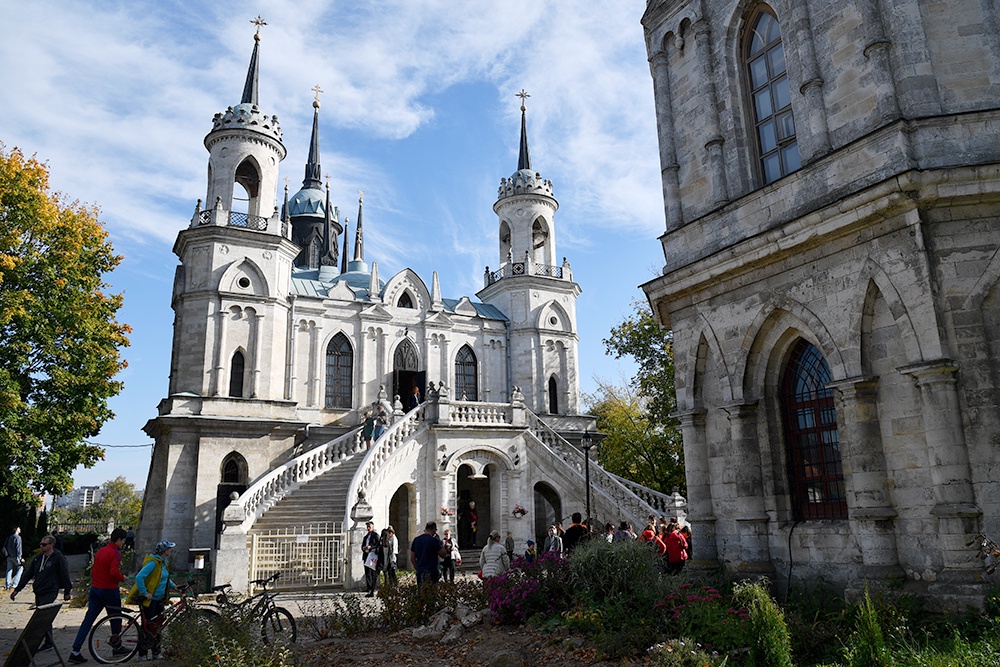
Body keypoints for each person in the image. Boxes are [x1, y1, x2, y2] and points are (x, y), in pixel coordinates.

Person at [69, 527, 128, 664]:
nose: (123, 543)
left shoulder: (101, 551)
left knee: (88, 621)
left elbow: (95, 570)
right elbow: (114, 572)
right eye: (123, 541)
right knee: (116, 618)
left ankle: (75, 650)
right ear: (119, 540)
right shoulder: (115, 553)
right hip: (109, 590)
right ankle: (117, 645)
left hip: (96, 589)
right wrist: (122, 578)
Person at [11, 535, 72, 652]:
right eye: (41, 544)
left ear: (51, 545)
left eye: (44, 544)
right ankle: (47, 641)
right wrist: (17, 590)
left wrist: (67, 591)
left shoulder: (58, 558)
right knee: (43, 617)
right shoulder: (38, 559)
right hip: (39, 591)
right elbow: (28, 574)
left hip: (50, 590)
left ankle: (47, 642)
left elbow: (65, 575)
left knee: (44, 617)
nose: (41, 546)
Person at [133, 540, 177, 662]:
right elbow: (139, 577)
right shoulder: (153, 563)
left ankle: (156, 652)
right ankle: (143, 654)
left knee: (157, 627)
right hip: (150, 600)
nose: (171, 551)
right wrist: (145, 593)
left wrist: (174, 586)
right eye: (169, 549)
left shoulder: (163, 562)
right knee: (147, 628)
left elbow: (164, 577)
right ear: (164, 551)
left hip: (159, 599)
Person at [410, 521, 446, 587]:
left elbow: (412, 558)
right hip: (432, 570)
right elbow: (443, 554)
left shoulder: (416, 540)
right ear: (434, 530)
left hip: (420, 571)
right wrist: (440, 542)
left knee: (421, 593)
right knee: (431, 593)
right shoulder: (433, 540)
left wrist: (417, 568)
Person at [361, 521, 380, 597]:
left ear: (373, 527)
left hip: (372, 555)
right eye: (367, 527)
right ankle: (368, 587)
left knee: (372, 572)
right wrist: (363, 548)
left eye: (369, 527)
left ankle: (373, 587)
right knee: (367, 572)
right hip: (366, 555)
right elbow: (363, 544)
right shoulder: (366, 537)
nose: (368, 528)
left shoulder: (375, 535)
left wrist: (371, 547)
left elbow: (378, 545)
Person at [4, 526, 24, 592]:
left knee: (9, 570)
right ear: (16, 530)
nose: (20, 529)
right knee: (20, 568)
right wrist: (20, 557)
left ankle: (7, 585)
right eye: (19, 528)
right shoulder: (18, 537)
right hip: (15, 556)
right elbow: (18, 548)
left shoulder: (9, 537)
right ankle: (15, 584)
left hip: (9, 556)